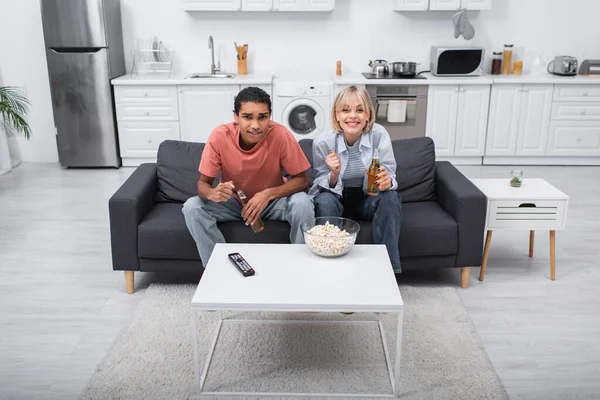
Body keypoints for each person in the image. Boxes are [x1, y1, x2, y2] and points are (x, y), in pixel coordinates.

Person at [182, 86, 315, 266]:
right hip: (234, 202)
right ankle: (218, 268)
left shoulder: (281, 134)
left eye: (262, 117)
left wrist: (267, 194)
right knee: (192, 207)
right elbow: (202, 185)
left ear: (269, 116)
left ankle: (300, 267)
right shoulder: (220, 136)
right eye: (247, 117)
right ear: (236, 117)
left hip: (273, 202)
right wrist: (212, 193)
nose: (255, 125)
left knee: (302, 203)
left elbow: (302, 180)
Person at [308, 85, 402, 274]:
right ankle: (330, 268)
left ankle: (387, 271)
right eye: (346, 110)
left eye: (360, 110)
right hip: (337, 198)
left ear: (368, 114)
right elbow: (319, 182)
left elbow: (390, 173)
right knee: (324, 200)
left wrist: (388, 181)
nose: (353, 116)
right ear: (336, 115)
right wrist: (333, 173)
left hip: (369, 197)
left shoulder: (379, 135)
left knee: (391, 198)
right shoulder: (323, 142)